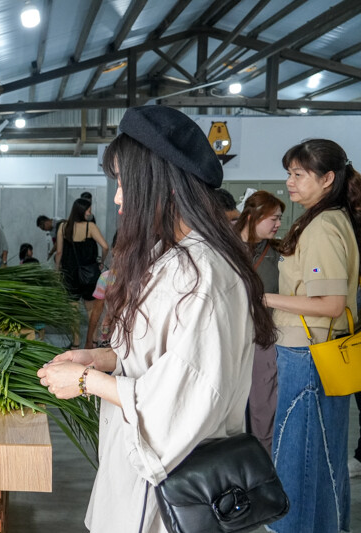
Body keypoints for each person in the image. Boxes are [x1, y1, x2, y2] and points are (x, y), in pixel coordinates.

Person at [37, 105, 275, 532]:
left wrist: (86, 382)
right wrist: (99, 358)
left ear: (159, 184)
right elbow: (157, 357)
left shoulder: (203, 274)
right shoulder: (169, 257)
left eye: (124, 183)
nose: (117, 198)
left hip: (172, 492)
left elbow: (184, 401)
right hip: (135, 475)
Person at [263, 139, 361, 533]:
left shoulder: (322, 226)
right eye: (290, 173)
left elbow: (331, 303)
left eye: (298, 174)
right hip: (319, 354)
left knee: (297, 463)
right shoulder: (331, 218)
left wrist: (264, 295)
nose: (289, 182)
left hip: (309, 356)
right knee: (322, 463)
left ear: (327, 179)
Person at [233, 190, 285, 455]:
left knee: (264, 406)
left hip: (263, 340)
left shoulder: (279, 251)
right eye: (273, 218)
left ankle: (264, 466)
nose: (278, 224)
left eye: (279, 218)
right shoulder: (224, 246)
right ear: (254, 215)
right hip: (227, 340)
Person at [56, 198, 109, 348]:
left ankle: (76, 342)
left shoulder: (62, 227)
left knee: (73, 311)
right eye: (88, 210)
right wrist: (102, 262)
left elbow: (59, 252)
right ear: (81, 210)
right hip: (89, 274)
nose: (90, 212)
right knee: (91, 309)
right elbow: (105, 246)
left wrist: (57, 270)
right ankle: (92, 341)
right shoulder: (90, 227)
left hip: (70, 273)